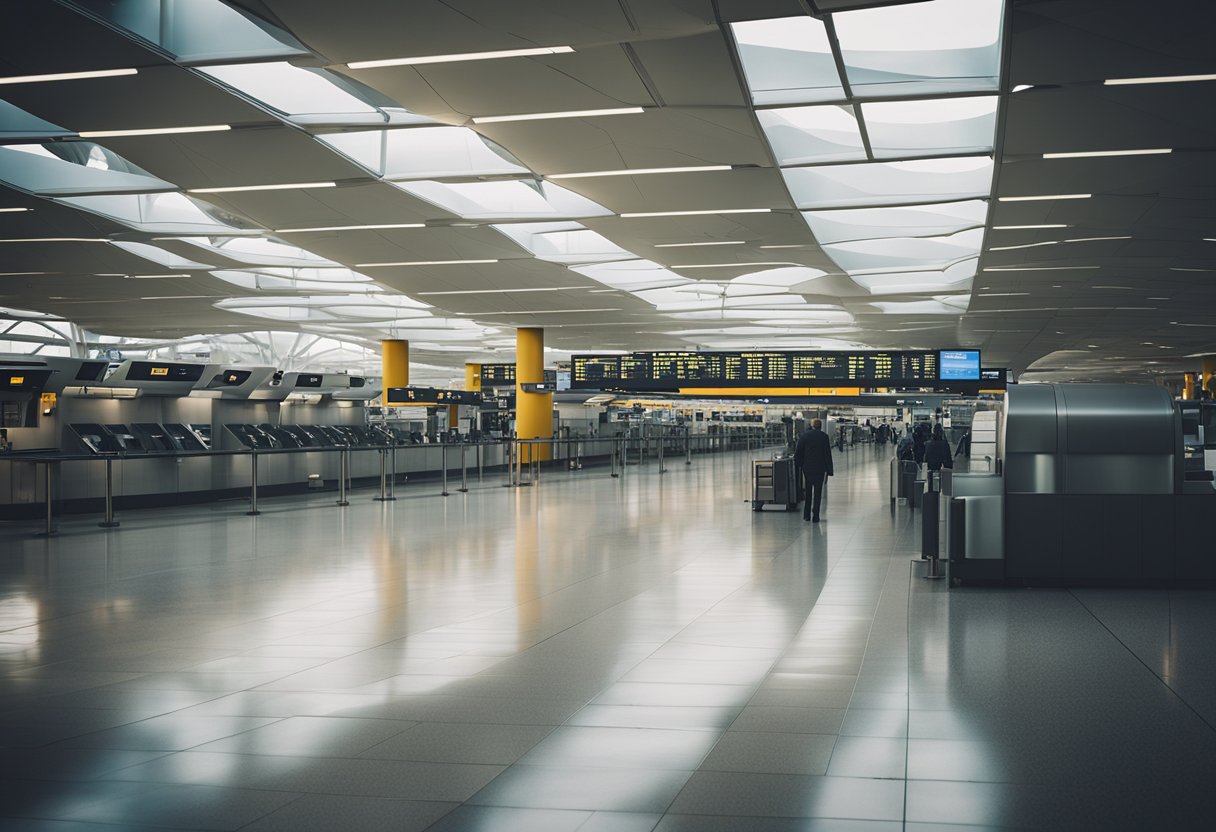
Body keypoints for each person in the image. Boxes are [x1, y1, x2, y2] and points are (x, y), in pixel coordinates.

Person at [794, 418, 834, 523]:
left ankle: (806, 515)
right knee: (817, 493)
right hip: (820, 469)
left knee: (808, 492)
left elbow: (799, 452)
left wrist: (798, 465)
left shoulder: (805, 436)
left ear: (812, 426)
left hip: (807, 469)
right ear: (820, 426)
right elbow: (827, 454)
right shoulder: (824, 437)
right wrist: (829, 470)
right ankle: (816, 516)